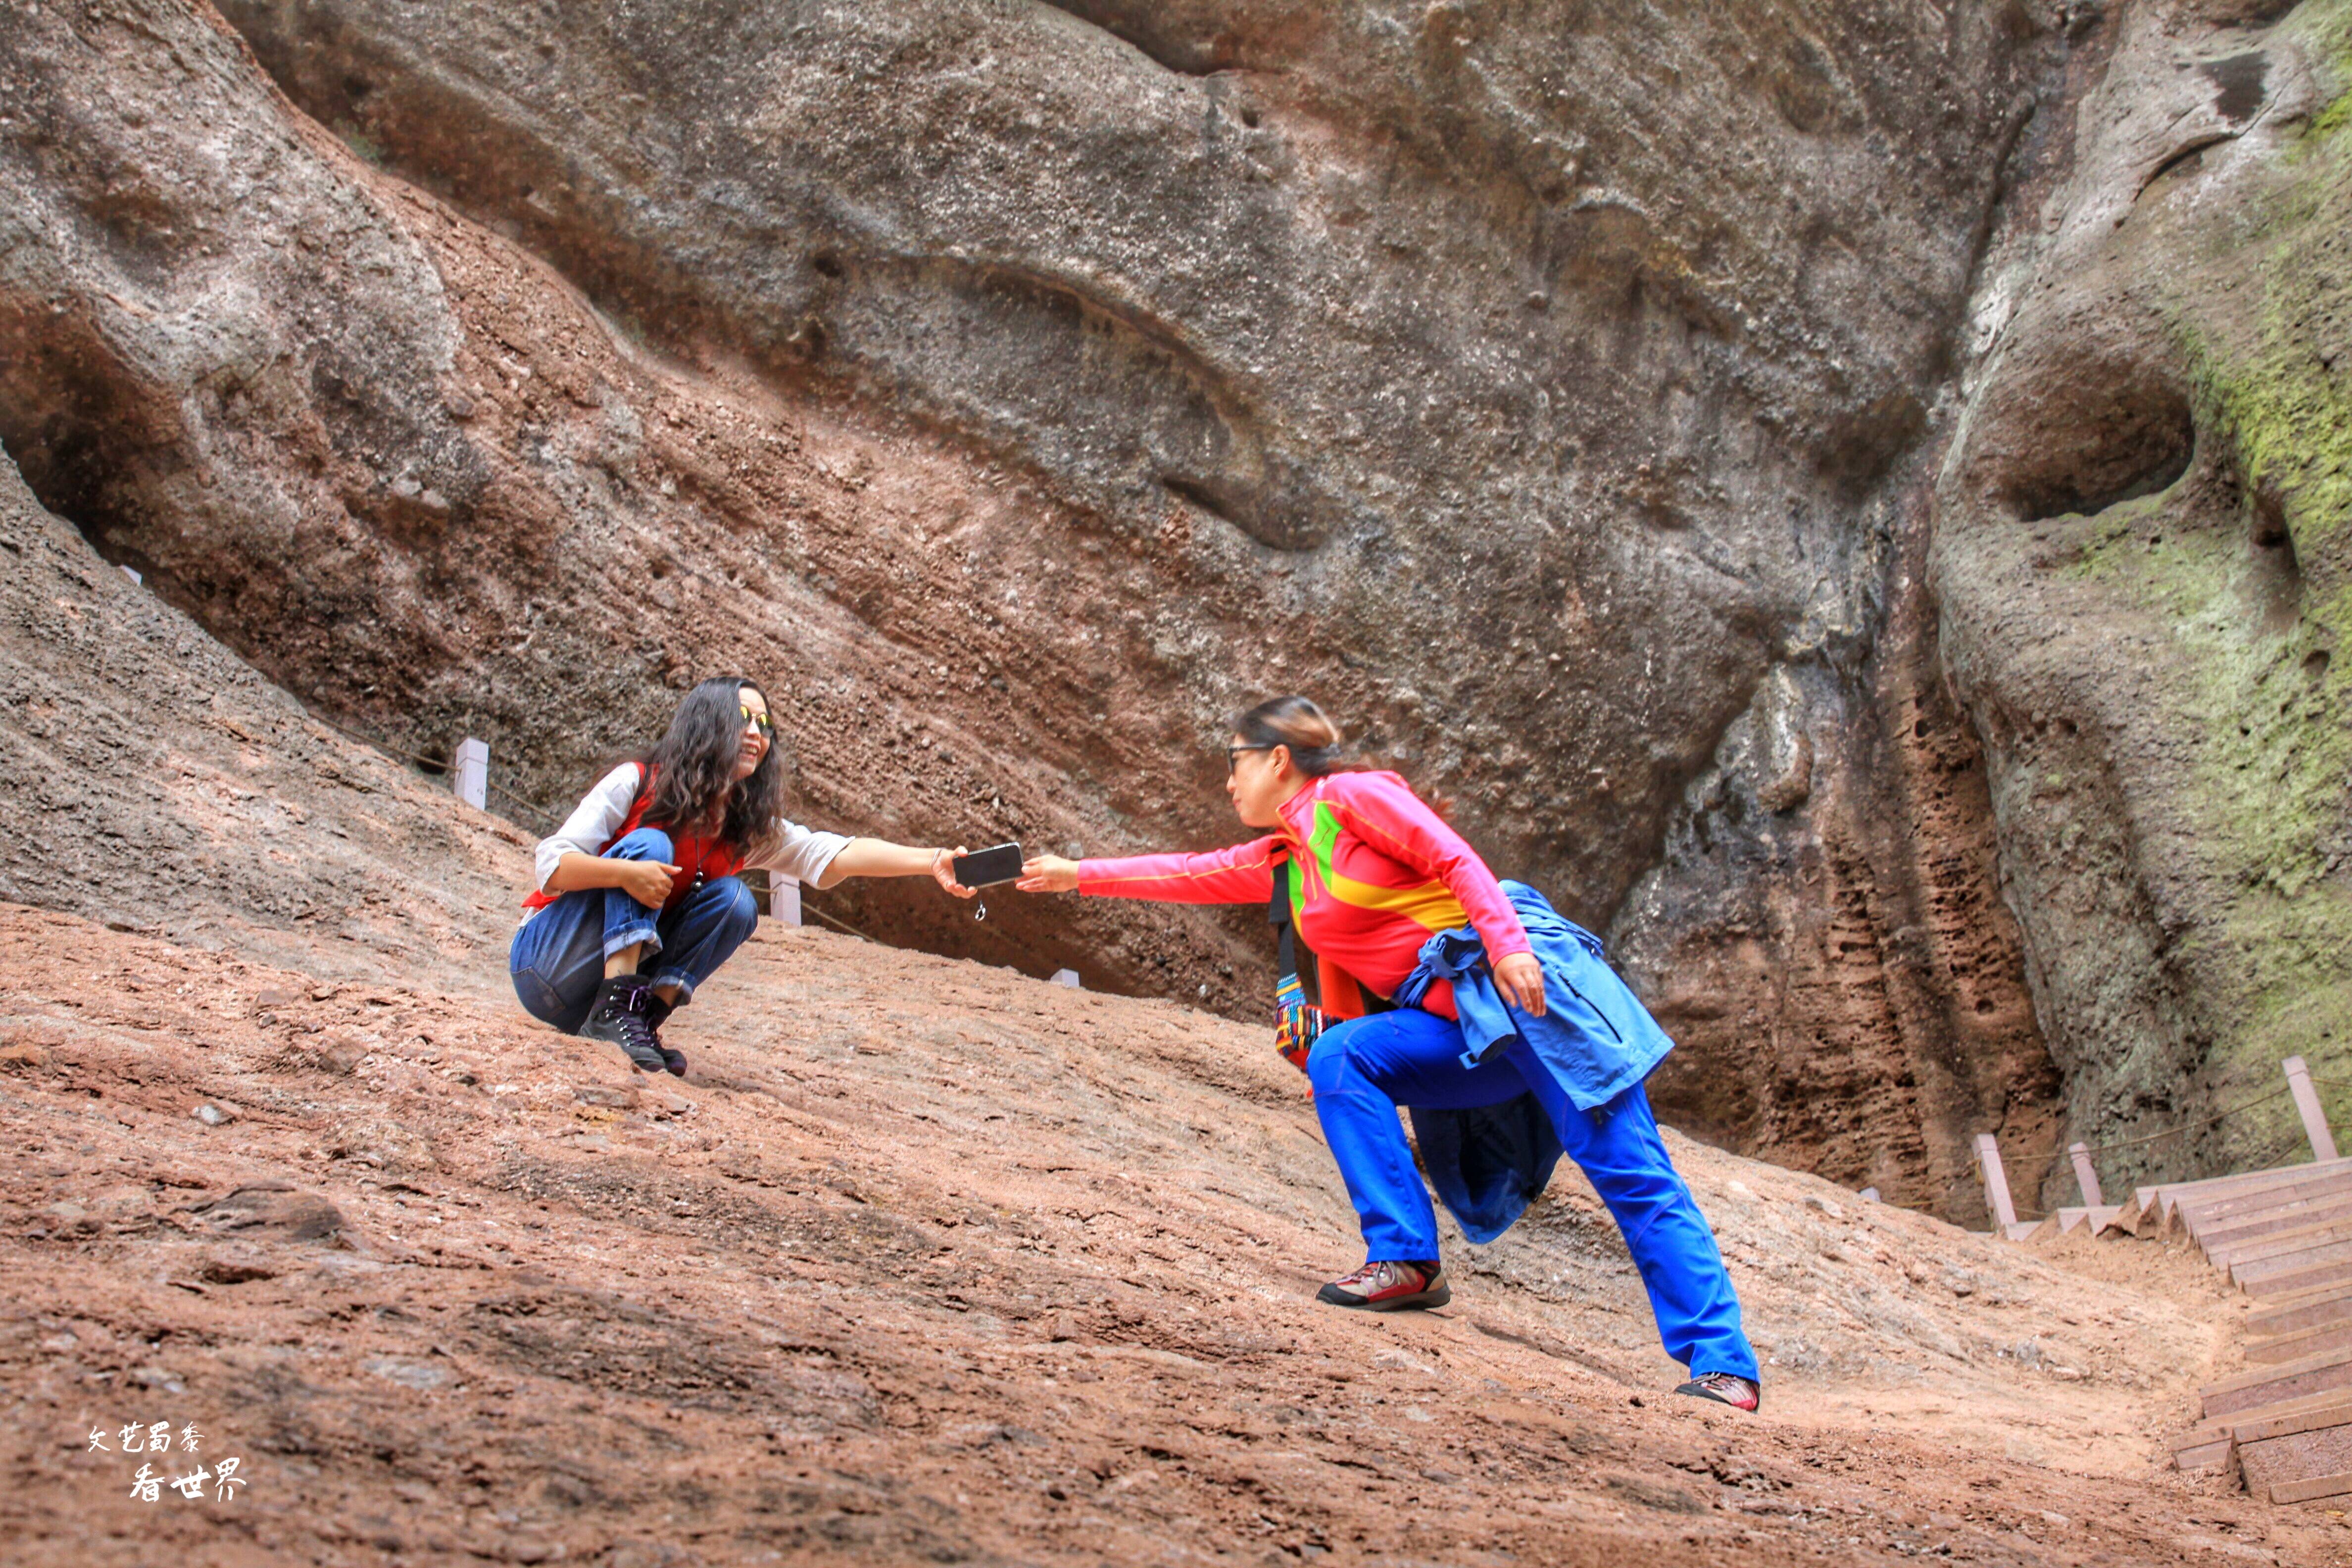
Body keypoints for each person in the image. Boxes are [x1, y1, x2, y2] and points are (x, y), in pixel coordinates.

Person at [1016, 695, 1761, 1411]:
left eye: (1235, 762)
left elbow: (1456, 859)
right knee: (1342, 1055)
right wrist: (1071, 875)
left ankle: (1724, 1366)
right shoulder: (1290, 857)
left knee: (1631, 1173)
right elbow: (1190, 873)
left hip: (1528, 996)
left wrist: (1507, 948)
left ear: (1279, 760)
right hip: (1465, 1030)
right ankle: (1405, 1258)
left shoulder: (1351, 798)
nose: (1228, 780)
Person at [511, 676, 973, 1076]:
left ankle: (639, 1022)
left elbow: (834, 854)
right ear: (706, 725)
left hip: (581, 1008)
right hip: (547, 966)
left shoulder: (745, 828)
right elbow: (552, 866)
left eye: (765, 724)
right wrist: (626, 875)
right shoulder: (637, 782)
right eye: (743, 720)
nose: (756, 733)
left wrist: (930, 859)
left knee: (735, 900)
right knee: (651, 847)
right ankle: (615, 1006)